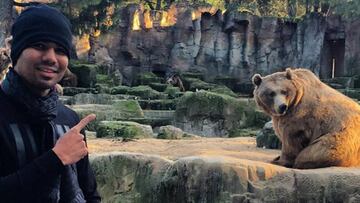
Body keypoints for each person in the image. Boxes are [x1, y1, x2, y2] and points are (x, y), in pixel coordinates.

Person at [0, 4, 101, 202]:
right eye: (39, 46)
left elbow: (89, 192)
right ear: (17, 51)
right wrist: (54, 160)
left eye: (60, 50)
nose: (51, 58)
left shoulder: (69, 119)